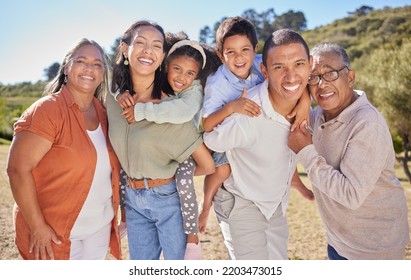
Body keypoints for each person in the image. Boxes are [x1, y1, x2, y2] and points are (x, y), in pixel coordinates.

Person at [288, 43, 410, 260]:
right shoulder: (316, 117)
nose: (321, 84)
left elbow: (351, 195)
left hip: (373, 251)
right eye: (313, 78)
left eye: (330, 74)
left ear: (350, 77)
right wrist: (304, 99)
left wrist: (306, 152)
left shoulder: (367, 123)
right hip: (338, 242)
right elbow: (271, 67)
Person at [6, 38, 122, 260]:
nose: (90, 68)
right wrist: (38, 226)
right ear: (67, 67)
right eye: (81, 61)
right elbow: (17, 170)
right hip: (54, 232)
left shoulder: (105, 113)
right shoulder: (47, 110)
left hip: (97, 229)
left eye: (97, 64)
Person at [106, 20, 212, 260]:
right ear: (125, 49)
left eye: (156, 45)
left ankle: (194, 240)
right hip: (132, 202)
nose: (147, 50)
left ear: (162, 55)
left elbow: (207, 164)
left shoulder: (173, 108)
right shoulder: (112, 100)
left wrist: (170, 174)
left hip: (168, 197)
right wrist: (120, 93)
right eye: (140, 42)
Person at [203, 29, 313, 259]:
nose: (291, 76)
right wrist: (230, 109)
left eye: (299, 64)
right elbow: (211, 136)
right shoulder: (248, 113)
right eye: (279, 67)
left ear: (310, 64)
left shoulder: (306, 107)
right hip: (241, 198)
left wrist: (306, 99)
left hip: (274, 202)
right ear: (265, 70)